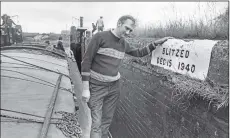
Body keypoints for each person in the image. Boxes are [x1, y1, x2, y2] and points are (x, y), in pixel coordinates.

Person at [81, 15, 173, 138]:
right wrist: (86, 88)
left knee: (106, 121)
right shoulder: (99, 37)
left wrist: (155, 44)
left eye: (131, 30)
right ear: (119, 23)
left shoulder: (124, 44)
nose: (128, 32)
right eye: (127, 28)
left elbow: (139, 52)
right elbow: (86, 61)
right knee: (96, 124)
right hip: (96, 86)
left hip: (113, 87)